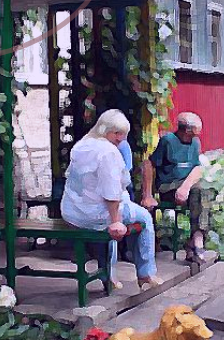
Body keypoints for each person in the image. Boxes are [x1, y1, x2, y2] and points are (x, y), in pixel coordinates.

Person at [61, 109, 163, 290]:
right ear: (104, 129)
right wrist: (116, 222)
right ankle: (145, 273)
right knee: (142, 219)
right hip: (95, 214)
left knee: (111, 218)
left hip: (72, 213)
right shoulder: (108, 152)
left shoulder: (81, 145)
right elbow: (112, 193)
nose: (120, 139)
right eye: (117, 133)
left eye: (122, 134)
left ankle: (110, 276)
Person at [141, 112, 215, 263]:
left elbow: (197, 168)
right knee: (199, 192)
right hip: (168, 187)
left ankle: (195, 240)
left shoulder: (195, 143)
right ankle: (196, 244)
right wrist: (147, 195)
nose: (195, 138)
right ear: (184, 131)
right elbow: (149, 164)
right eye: (192, 134)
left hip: (188, 188)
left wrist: (185, 187)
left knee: (204, 191)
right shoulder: (168, 141)